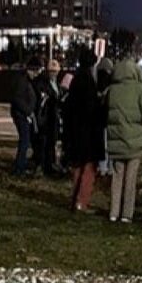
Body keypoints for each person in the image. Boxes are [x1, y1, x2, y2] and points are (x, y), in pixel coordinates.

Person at [104, 50, 142, 223]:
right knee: (130, 179)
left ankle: (113, 211)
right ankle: (126, 213)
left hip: (116, 138)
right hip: (134, 140)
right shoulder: (140, 89)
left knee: (117, 177)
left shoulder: (112, 91)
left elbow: (106, 114)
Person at [62, 49, 104, 210]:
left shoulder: (76, 80)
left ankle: (76, 199)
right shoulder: (88, 82)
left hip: (76, 131)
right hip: (87, 133)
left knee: (78, 168)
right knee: (88, 169)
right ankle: (82, 201)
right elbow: (91, 109)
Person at [10, 57, 41, 175]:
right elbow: (17, 99)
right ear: (32, 69)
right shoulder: (22, 80)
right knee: (24, 141)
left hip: (23, 114)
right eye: (37, 71)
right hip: (21, 115)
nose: (37, 74)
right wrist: (28, 111)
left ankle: (20, 165)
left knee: (25, 141)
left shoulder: (25, 80)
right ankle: (19, 167)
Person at [38, 59, 64, 176]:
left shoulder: (57, 84)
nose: (54, 74)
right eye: (51, 71)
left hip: (55, 116)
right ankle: (46, 165)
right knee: (47, 143)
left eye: (55, 71)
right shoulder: (44, 84)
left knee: (53, 142)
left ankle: (52, 164)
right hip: (48, 117)